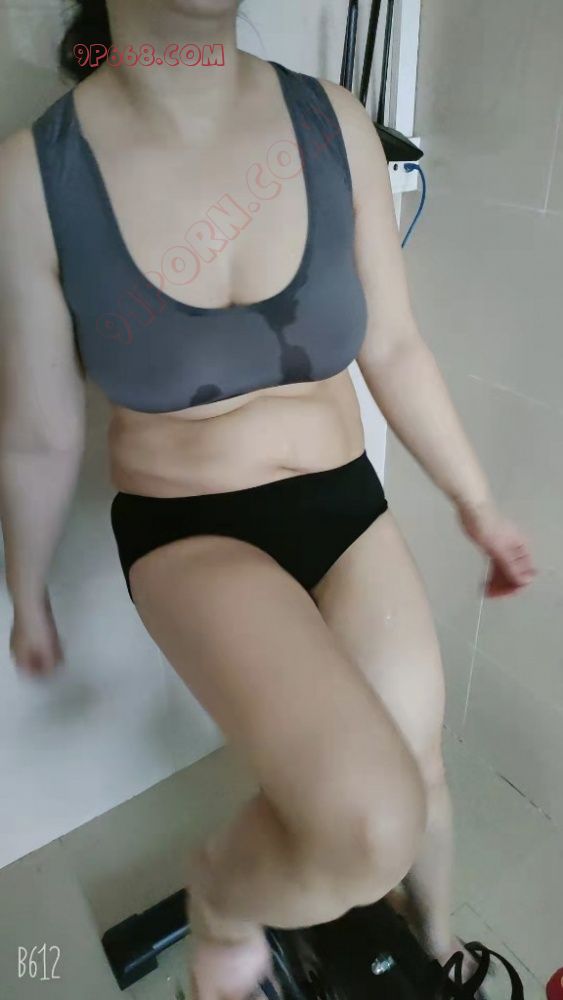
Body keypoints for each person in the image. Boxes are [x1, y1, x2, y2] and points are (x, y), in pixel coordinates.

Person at [0, 2, 536, 998]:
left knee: (417, 774)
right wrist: (27, 594)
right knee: (364, 817)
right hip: (191, 530)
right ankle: (221, 896)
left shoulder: (334, 121)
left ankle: (437, 953)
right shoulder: (36, 179)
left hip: (341, 503)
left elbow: (393, 345)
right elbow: (38, 432)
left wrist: (474, 502)